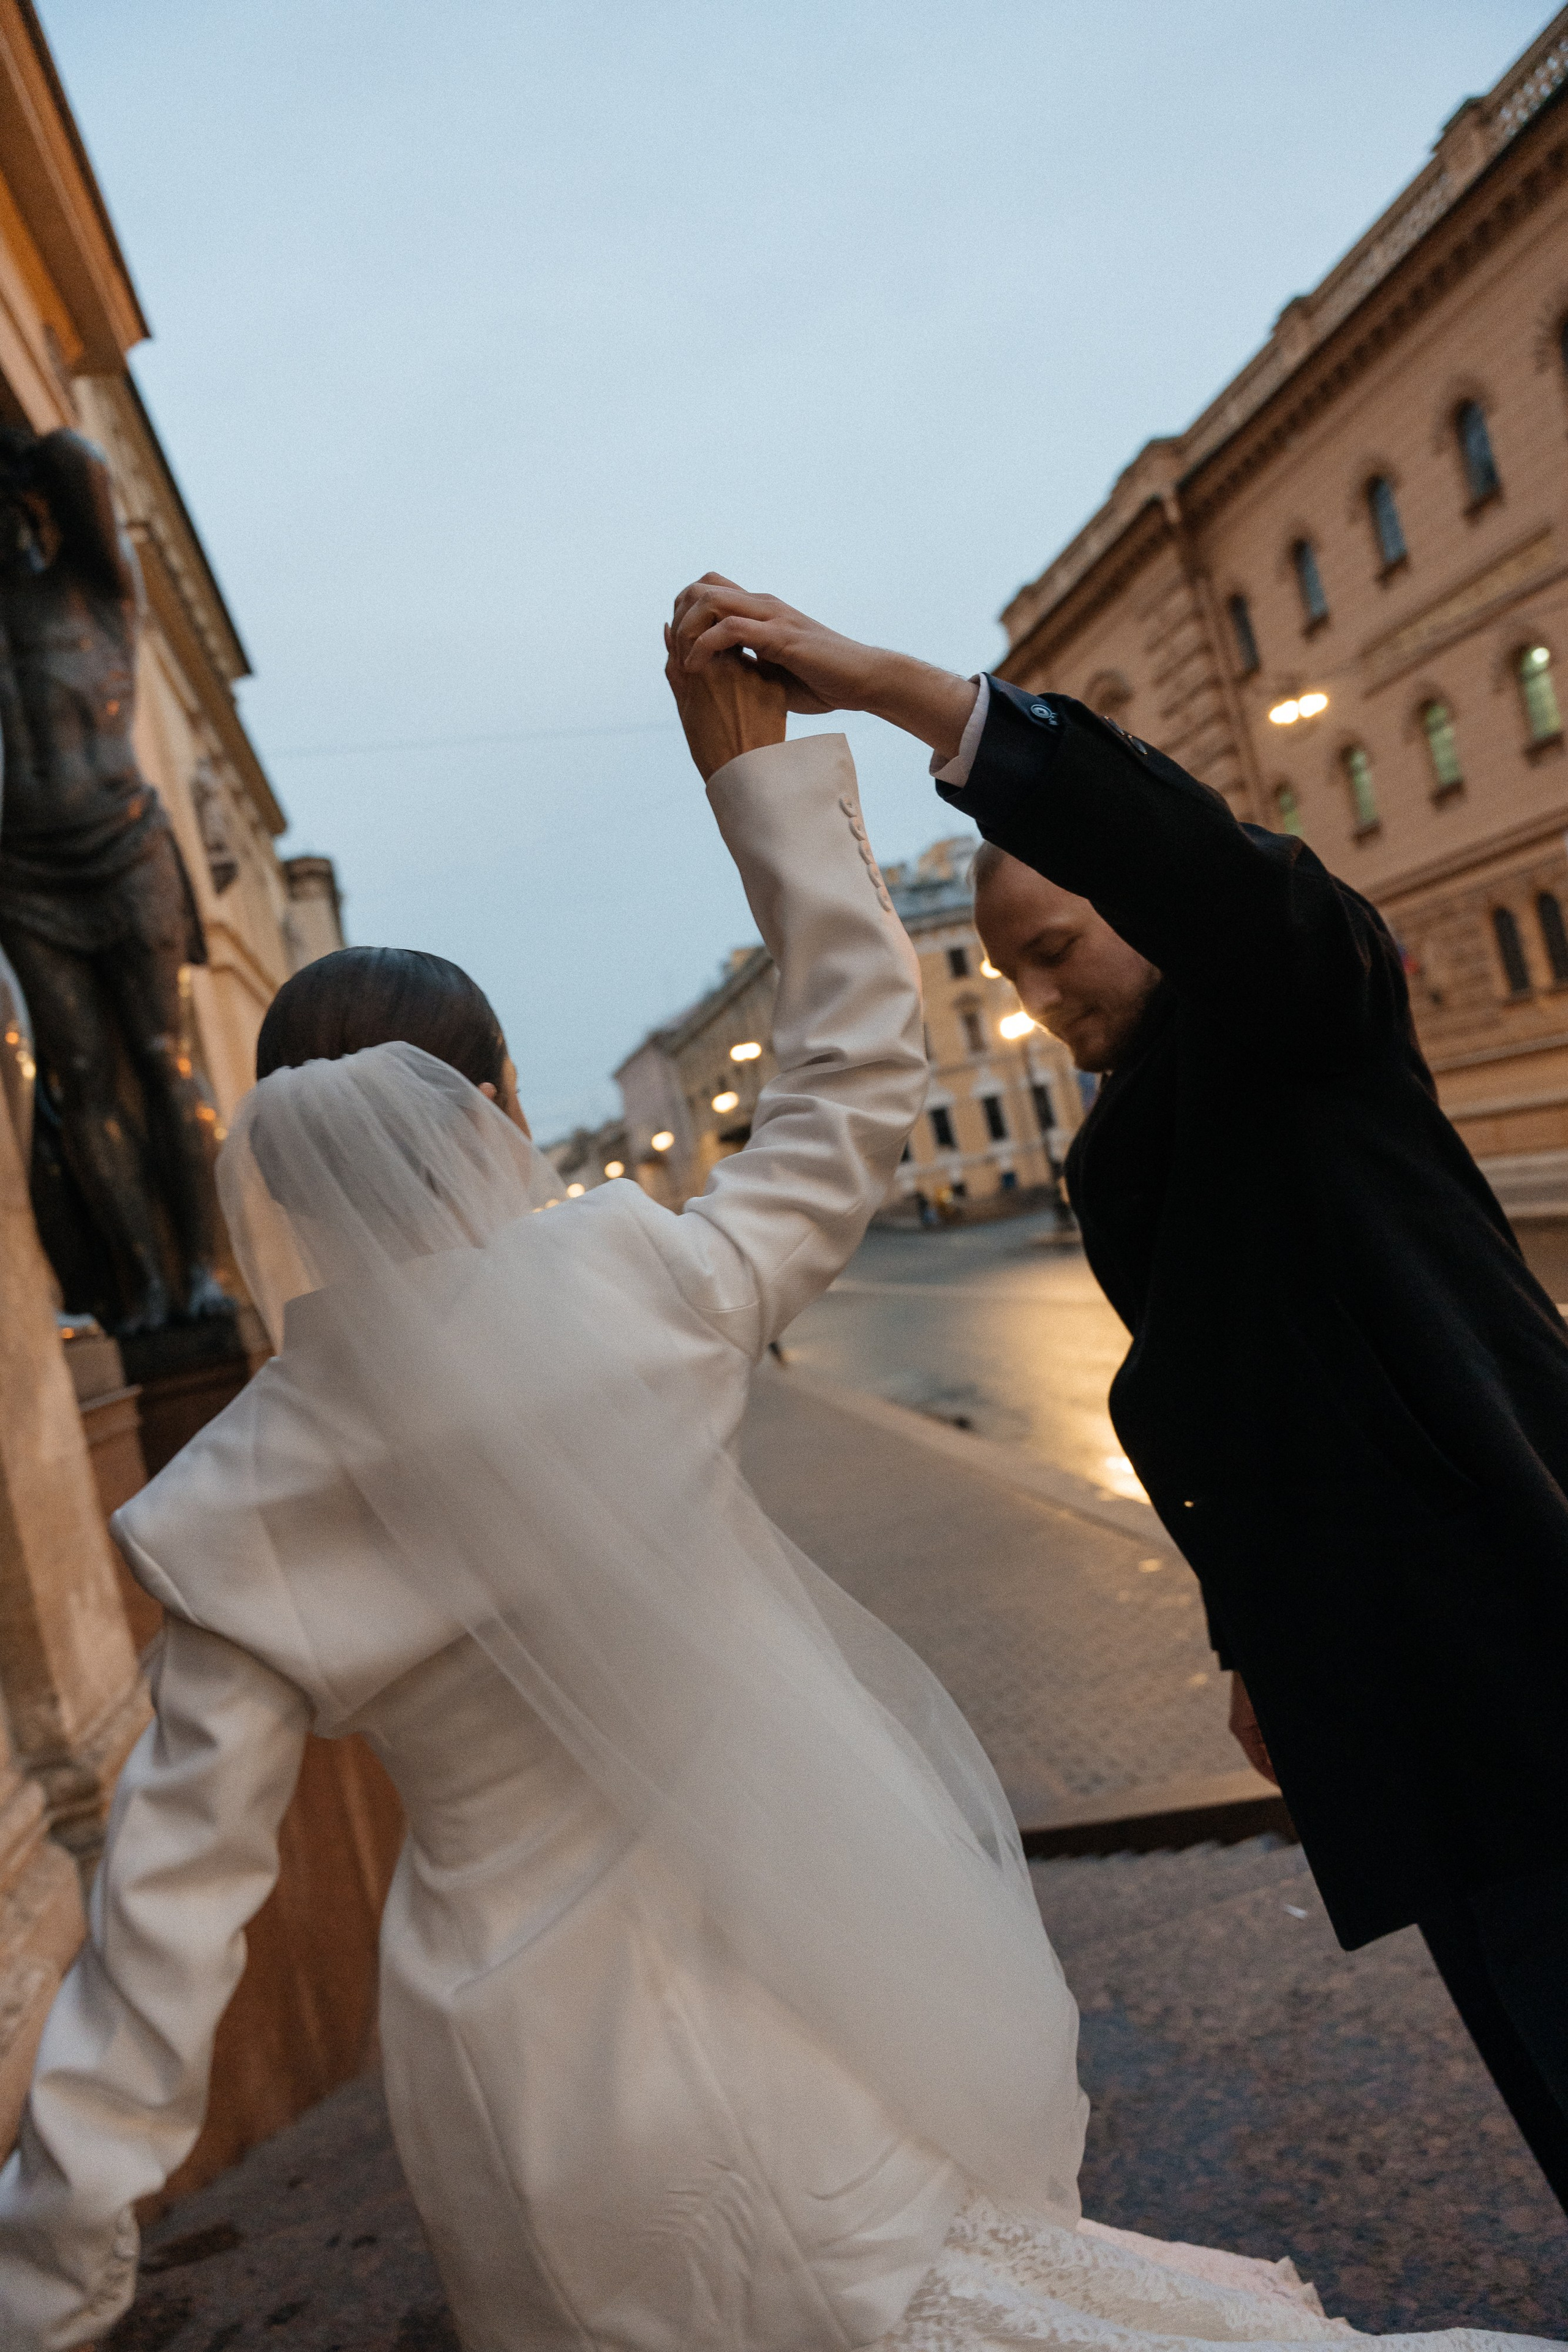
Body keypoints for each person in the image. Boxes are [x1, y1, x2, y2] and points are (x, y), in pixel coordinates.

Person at [0, 622, 1546, 2352]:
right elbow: (852, 1074)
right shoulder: (638, 1292)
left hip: (532, 2101)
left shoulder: (237, 1501)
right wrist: (761, 784)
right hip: (803, 2007)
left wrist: (50, 2274)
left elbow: (161, 1934)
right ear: (499, 1108)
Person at [669, 573, 1568, 2223]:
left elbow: (1212, 871)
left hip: (1522, 1622)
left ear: (1147, 903)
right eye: (1009, 971)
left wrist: (887, 688)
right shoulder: (1120, 1151)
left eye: (1059, 945)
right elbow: (1219, 1428)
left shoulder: (1304, 1015)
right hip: (1393, 1696)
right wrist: (1251, 1651)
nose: (1037, 996)